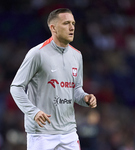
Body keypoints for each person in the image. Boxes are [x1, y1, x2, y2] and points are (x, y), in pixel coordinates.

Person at [10, 8, 97, 150]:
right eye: (66, 23)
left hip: (69, 132)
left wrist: (85, 98)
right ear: (53, 28)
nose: (72, 27)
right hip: (42, 133)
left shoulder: (77, 56)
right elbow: (16, 88)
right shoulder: (37, 54)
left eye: (73, 23)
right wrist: (34, 112)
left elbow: (75, 89)